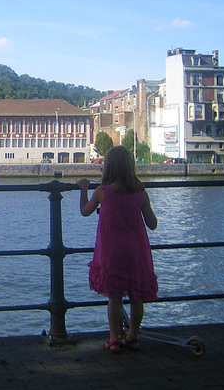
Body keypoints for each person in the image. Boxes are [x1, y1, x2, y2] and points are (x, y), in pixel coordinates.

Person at [77, 146, 158, 353]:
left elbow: (85, 211)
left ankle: (114, 339)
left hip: (112, 252)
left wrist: (84, 189)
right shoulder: (140, 192)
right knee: (136, 296)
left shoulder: (103, 193)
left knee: (114, 297)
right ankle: (132, 336)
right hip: (136, 251)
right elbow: (152, 223)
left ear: (108, 167)